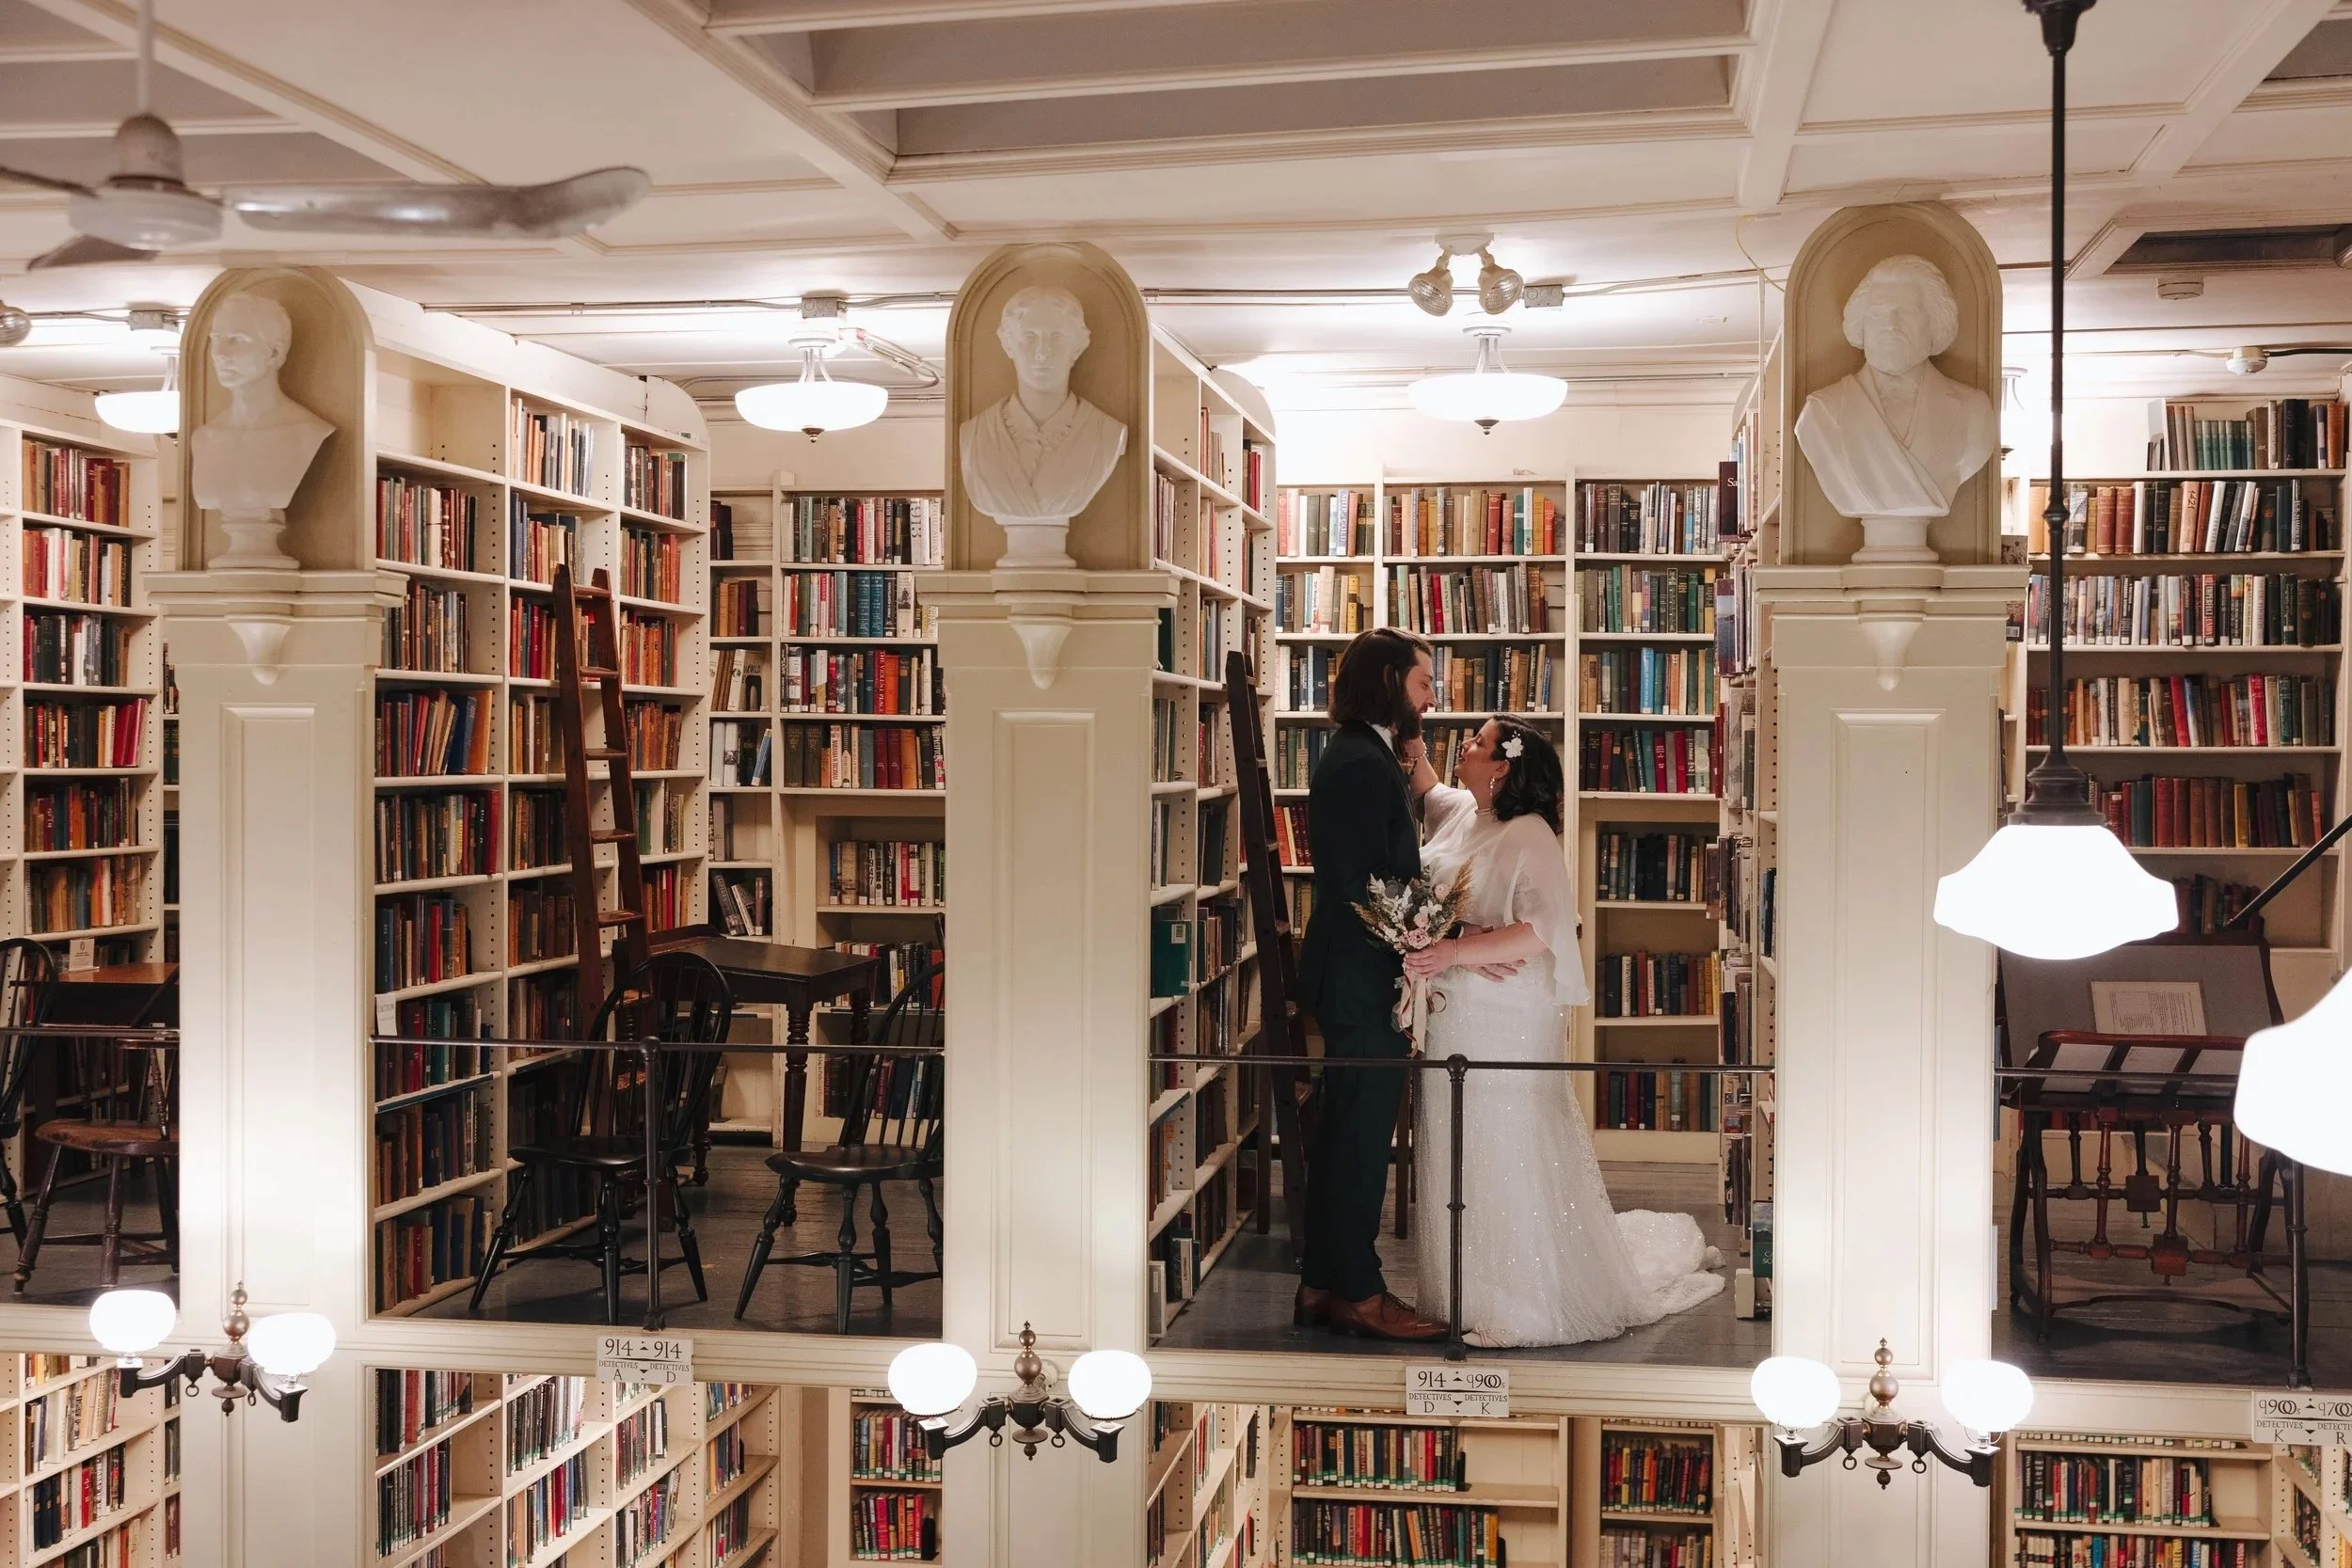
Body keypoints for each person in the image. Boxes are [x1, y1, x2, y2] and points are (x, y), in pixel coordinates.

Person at [1401, 717, 1725, 1347]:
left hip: (1505, 1014)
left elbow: (1547, 928)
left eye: (1478, 741)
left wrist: (1455, 952)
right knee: (1457, 1137)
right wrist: (1401, 720)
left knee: (1503, 1138)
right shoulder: (1462, 811)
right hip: (1455, 1010)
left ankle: (1524, 1301)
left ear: (1501, 768)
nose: (1464, 744)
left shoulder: (1531, 835)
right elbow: (1423, 776)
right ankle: (1464, 1288)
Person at [1293, 626, 1449, 1340]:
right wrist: (1423, 934)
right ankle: (1358, 1290)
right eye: (1422, 683)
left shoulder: (1367, 756)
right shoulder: (1360, 764)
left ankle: (1324, 1281)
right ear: (1389, 683)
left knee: (1342, 1133)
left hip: (1356, 966)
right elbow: (1365, 884)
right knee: (1357, 1139)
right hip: (1360, 973)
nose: (1431, 694)